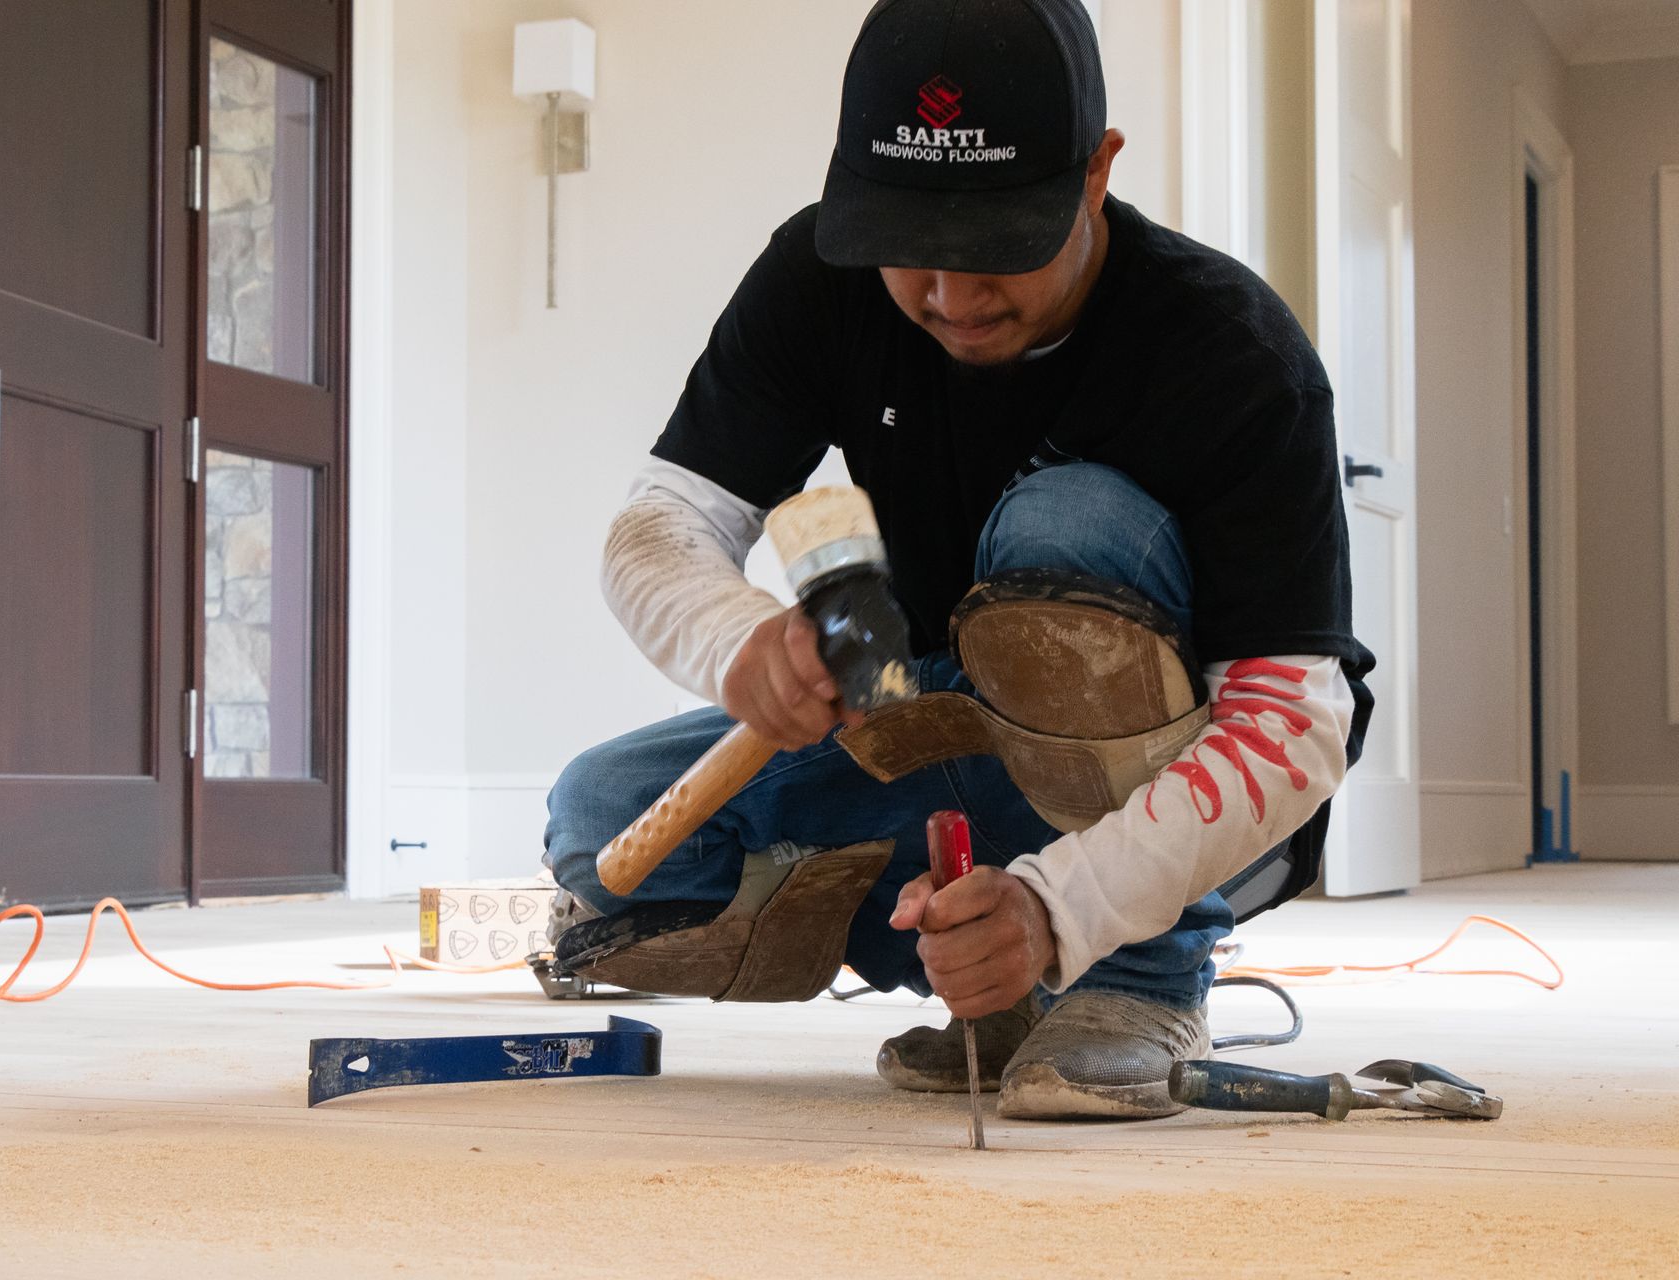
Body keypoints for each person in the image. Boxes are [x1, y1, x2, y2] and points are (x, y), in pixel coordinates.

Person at [542, 0, 1374, 1120]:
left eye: (997, 248)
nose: (952, 298)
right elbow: (661, 520)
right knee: (598, 822)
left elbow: (1293, 724)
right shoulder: (818, 277)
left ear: (1097, 173)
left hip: (1168, 768)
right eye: (910, 248)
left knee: (1066, 527)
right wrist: (739, 640)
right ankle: (989, 971)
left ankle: (1136, 976)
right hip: (931, 719)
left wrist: (1063, 904)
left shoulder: (1230, 352)